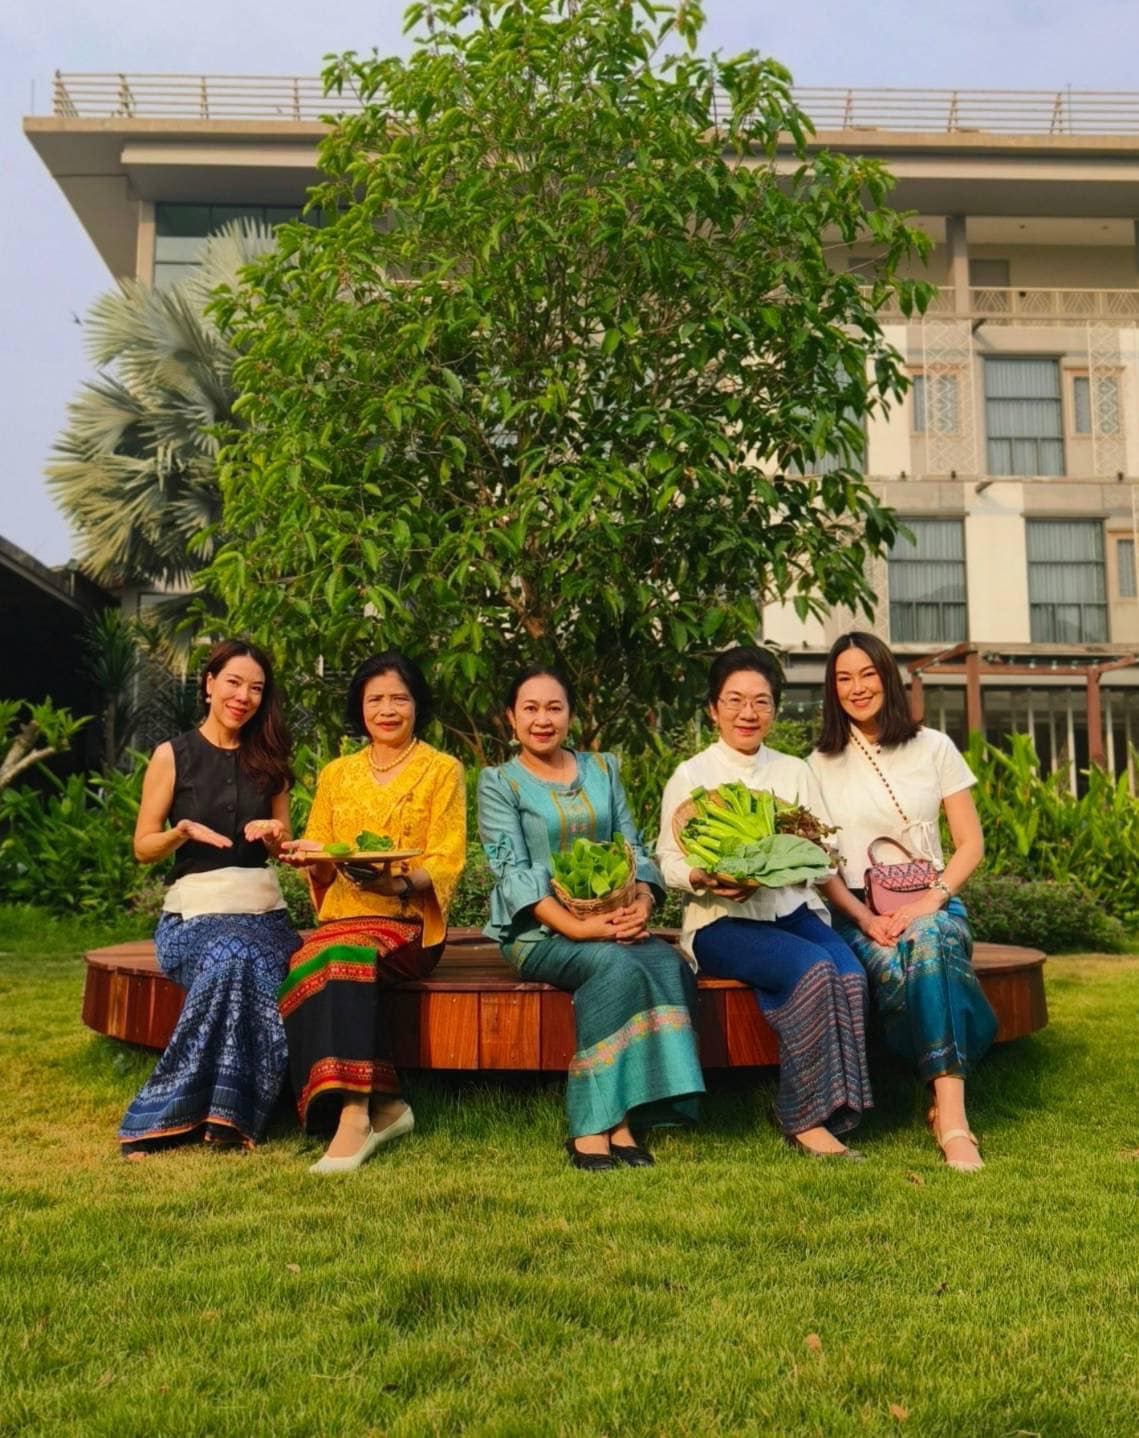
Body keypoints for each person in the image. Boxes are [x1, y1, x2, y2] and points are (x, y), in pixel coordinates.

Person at [477, 665, 704, 1171]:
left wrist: (642, 905)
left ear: (570, 715)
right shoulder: (499, 783)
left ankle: (629, 1117)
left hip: (616, 917)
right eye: (530, 709)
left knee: (667, 964)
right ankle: (592, 1129)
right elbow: (511, 870)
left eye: (554, 708)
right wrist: (580, 927)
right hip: (538, 933)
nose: (542, 719)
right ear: (511, 718)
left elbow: (634, 847)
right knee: (616, 967)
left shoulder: (603, 770)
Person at [658, 645, 872, 1160]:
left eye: (760, 701)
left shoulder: (795, 771)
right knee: (815, 969)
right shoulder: (692, 774)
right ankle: (803, 1117)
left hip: (792, 910)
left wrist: (795, 860)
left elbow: (827, 852)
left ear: (775, 709)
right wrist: (705, 874)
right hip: (722, 922)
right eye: (733, 701)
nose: (747, 713)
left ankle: (844, 1104)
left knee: (850, 974)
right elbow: (667, 859)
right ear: (713, 709)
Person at [808, 631, 996, 1174]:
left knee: (931, 940)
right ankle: (966, 1046)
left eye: (867, 673)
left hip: (932, 900)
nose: (856, 687)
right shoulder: (816, 764)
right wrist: (865, 918)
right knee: (899, 965)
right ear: (831, 688)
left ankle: (952, 1116)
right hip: (858, 912)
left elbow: (971, 844)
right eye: (843, 677)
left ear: (887, 676)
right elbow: (820, 865)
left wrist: (930, 903)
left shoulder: (934, 746)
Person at [279, 652, 465, 1175]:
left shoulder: (441, 769)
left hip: (410, 924)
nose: (387, 709)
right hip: (343, 915)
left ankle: (354, 1115)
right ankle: (386, 1105)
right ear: (360, 709)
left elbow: (447, 859)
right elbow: (322, 857)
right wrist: (307, 858)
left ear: (416, 705)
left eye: (399, 698)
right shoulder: (338, 774)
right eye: (375, 699)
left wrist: (395, 882)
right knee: (305, 962)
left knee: (343, 956)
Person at [119, 639, 300, 1158]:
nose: (243, 696)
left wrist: (274, 835)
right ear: (210, 684)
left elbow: (285, 843)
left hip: (262, 914)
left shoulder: (272, 760)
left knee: (246, 957)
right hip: (193, 916)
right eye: (234, 683)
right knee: (229, 956)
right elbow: (143, 846)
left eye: (256, 689)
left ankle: (228, 1114)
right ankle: (191, 1113)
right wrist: (180, 833)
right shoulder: (172, 755)